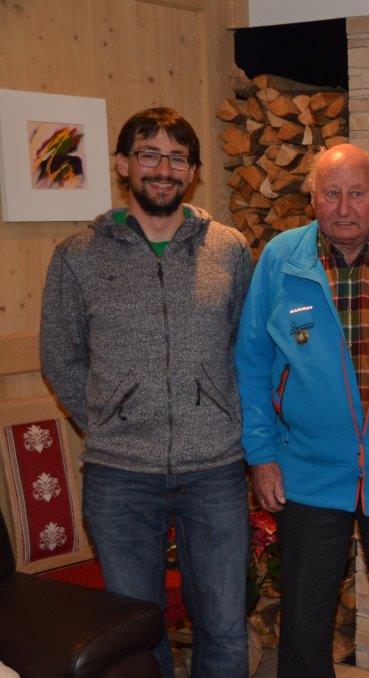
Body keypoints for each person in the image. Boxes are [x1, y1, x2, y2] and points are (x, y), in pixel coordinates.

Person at [40, 107, 252, 677]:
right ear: (123, 164)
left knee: (226, 628)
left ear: (193, 172)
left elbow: (244, 346)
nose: (163, 169)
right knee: (136, 632)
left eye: (177, 158)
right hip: (119, 476)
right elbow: (60, 355)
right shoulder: (78, 255)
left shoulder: (229, 249)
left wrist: (221, 413)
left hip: (215, 469)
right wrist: (109, 419)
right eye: (149, 155)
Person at [234, 144, 369, 678]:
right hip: (307, 474)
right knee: (304, 621)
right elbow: (251, 363)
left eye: (357, 193)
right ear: (312, 198)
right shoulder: (280, 260)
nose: (344, 207)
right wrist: (261, 456)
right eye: (331, 193)